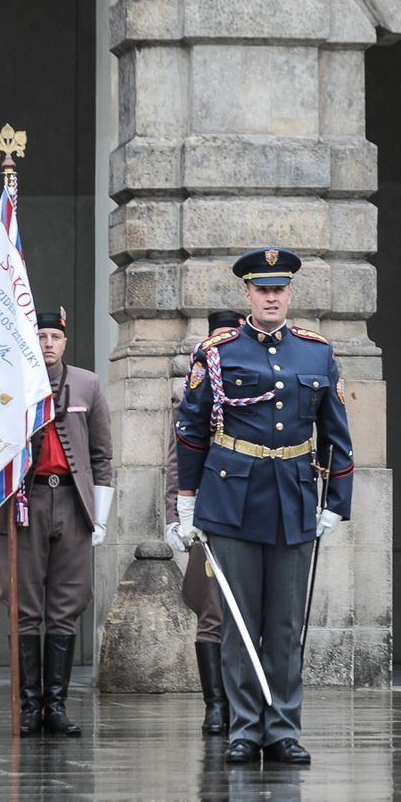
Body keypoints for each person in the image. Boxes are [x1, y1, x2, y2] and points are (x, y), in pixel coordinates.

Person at [172, 249, 355, 766]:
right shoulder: (218, 352)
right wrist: (187, 503)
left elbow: (336, 433)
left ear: (290, 294)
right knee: (238, 620)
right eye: (262, 289)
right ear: (247, 295)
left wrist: (337, 502)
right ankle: (244, 728)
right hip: (231, 498)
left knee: (284, 624)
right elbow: (190, 430)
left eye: (280, 289)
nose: (272, 297)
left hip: (293, 497)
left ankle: (283, 729)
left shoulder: (316, 353)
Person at [0, 308, 114, 737]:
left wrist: (98, 514)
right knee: (25, 609)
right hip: (25, 503)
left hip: (71, 500)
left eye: (54, 337)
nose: (47, 343)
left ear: (65, 341)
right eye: (41, 336)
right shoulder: (10, 384)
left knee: (65, 607)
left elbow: (101, 453)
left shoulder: (88, 383)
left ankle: (56, 705)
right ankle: (30, 706)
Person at [166, 308, 242, 739]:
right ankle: (216, 707)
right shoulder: (191, 395)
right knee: (212, 611)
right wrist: (176, 516)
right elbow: (176, 461)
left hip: (252, 513)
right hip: (208, 515)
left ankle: (246, 704)